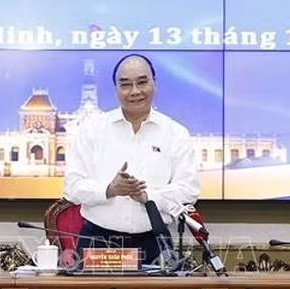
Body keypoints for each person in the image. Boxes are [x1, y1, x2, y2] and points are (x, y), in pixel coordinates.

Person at [64, 54, 200, 266]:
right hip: (99, 242)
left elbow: (188, 190)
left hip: (154, 240)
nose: (135, 91)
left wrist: (148, 196)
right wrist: (110, 190)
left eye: (142, 82)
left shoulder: (175, 133)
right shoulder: (91, 130)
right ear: (116, 89)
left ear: (155, 83)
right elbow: (72, 188)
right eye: (126, 84)